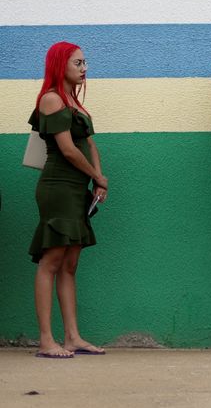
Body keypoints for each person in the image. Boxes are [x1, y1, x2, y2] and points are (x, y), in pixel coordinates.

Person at [29, 41, 109, 358]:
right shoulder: (51, 99)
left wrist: (98, 180)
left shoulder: (73, 102)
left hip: (78, 189)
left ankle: (72, 337)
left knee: (70, 265)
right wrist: (97, 177)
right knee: (51, 261)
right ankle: (47, 340)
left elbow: (89, 145)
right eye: (78, 63)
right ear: (60, 64)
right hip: (58, 188)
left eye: (85, 62)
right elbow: (67, 150)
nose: (84, 68)